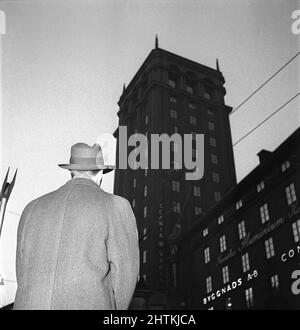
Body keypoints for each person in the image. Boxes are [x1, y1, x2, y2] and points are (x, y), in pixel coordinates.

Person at [14, 143, 139, 310]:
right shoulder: (116, 205)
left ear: (71, 171)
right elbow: (126, 276)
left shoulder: (31, 208)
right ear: (100, 173)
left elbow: (22, 273)